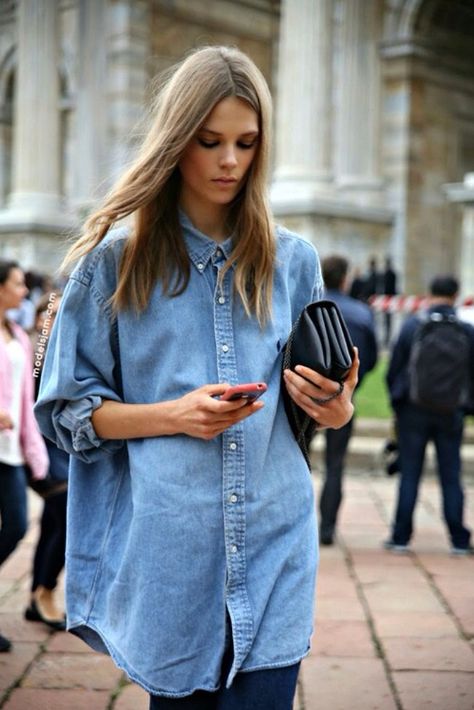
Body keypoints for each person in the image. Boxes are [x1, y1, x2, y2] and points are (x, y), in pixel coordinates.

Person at [34, 46, 358, 709]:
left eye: (246, 142)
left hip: (277, 537)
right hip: (170, 553)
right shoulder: (114, 265)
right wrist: (173, 415)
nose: (230, 160)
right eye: (210, 141)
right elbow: (68, 413)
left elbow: (321, 408)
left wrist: (335, 408)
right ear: (178, 140)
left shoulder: (294, 262)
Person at [385, 275, 474, 555]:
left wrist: (398, 404)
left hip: (413, 411)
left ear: (429, 293)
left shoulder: (413, 325)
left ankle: (400, 537)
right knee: (451, 475)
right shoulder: (466, 330)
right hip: (451, 412)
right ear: (456, 295)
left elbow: (394, 370)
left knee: (409, 473)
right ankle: (459, 540)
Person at [0, 260, 49, 652]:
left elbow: (27, 396)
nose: (23, 291)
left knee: (16, 526)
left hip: (12, 450)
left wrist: (36, 452)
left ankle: (42, 593)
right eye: (17, 284)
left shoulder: (19, 334)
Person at [318, 255, 378, 545]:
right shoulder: (361, 313)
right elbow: (373, 358)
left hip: (300, 395)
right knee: (335, 465)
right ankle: (327, 529)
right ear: (346, 279)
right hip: (341, 395)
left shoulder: (305, 305)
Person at [24, 294, 68, 631]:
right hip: (34, 446)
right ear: (39, 319)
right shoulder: (37, 349)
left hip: (57, 447)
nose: (54, 321)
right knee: (66, 514)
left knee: (53, 522)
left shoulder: (62, 346)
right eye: (49, 314)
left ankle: (36, 598)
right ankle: (45, 592)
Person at [382, 256, 398, 347]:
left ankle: (387, 338)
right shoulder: (393, 273)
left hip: (387, 298)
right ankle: (388, 337)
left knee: (387, 319)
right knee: (389, 319)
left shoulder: (386, 274)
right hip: (391, 298)